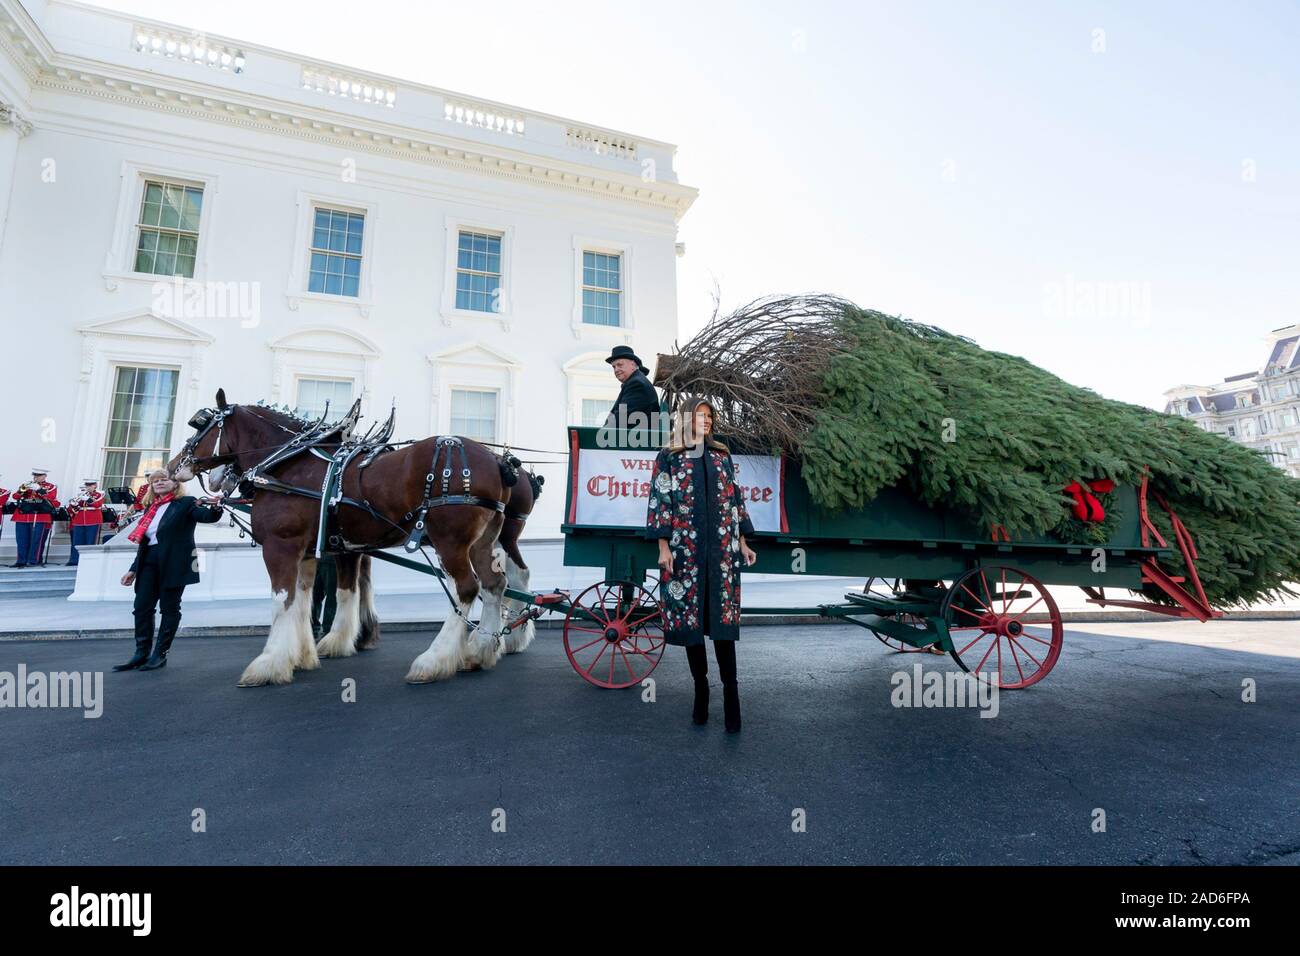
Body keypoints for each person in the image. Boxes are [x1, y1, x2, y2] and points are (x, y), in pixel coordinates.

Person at [645, 397, 758, 732]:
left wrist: (742, 541)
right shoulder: (670, 456)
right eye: (700, 415)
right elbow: (660, 500)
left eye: (710, 416)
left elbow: (735, 498)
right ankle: (700, 694)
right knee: (691, 625)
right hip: (685, 552)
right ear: (687, 419)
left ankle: (732, 701)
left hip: (721, 552)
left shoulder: (722, 455)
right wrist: (663, 546)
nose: (706, 421)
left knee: (723, 624)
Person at [115, 469, 223, 672]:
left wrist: (216, 507)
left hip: (175, 562)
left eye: (164, 479)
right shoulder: (151, 508)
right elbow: (146, 543)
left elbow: (207, 516)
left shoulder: (186, 502)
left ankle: (160, 654)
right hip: (148, 561)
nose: (159, 483)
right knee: (142, 607)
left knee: (169, 608)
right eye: (155, 481)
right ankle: (141, 653)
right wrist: (133, 569)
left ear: (175, 484)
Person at [603, 345, 660, 431]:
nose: (616, 370)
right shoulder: (635, 381)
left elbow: (620, 419)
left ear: (632, 365)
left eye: (620, 365)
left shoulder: (636, 384)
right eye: (614, 367)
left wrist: (601, 433)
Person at [9, 468, 59, 567]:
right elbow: (15, 496)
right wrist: (22, 489)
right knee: (21, 539)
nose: (36, 477)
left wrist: (39, 490)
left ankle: (33, 560)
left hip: (40, 516)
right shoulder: (28, 484)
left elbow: (51, 498)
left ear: (44, 476)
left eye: (38, 475)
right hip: (23, 515)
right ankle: (21, 561)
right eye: (35, 475)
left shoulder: (51, 486)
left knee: (37, 540)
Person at [66, 479, 106, 566]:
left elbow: (97, 505)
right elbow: (72, 508)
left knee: (90, 541)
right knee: (76, 541)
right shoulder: (81, 494)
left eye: (90, 485)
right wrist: (74, 503)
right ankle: (74, 560)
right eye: (87, 485)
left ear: (95, 485)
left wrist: (88, 499)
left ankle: (88, 561)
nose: (87, 487)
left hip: (93, 520)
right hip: (79, 520)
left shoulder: (100, 494)